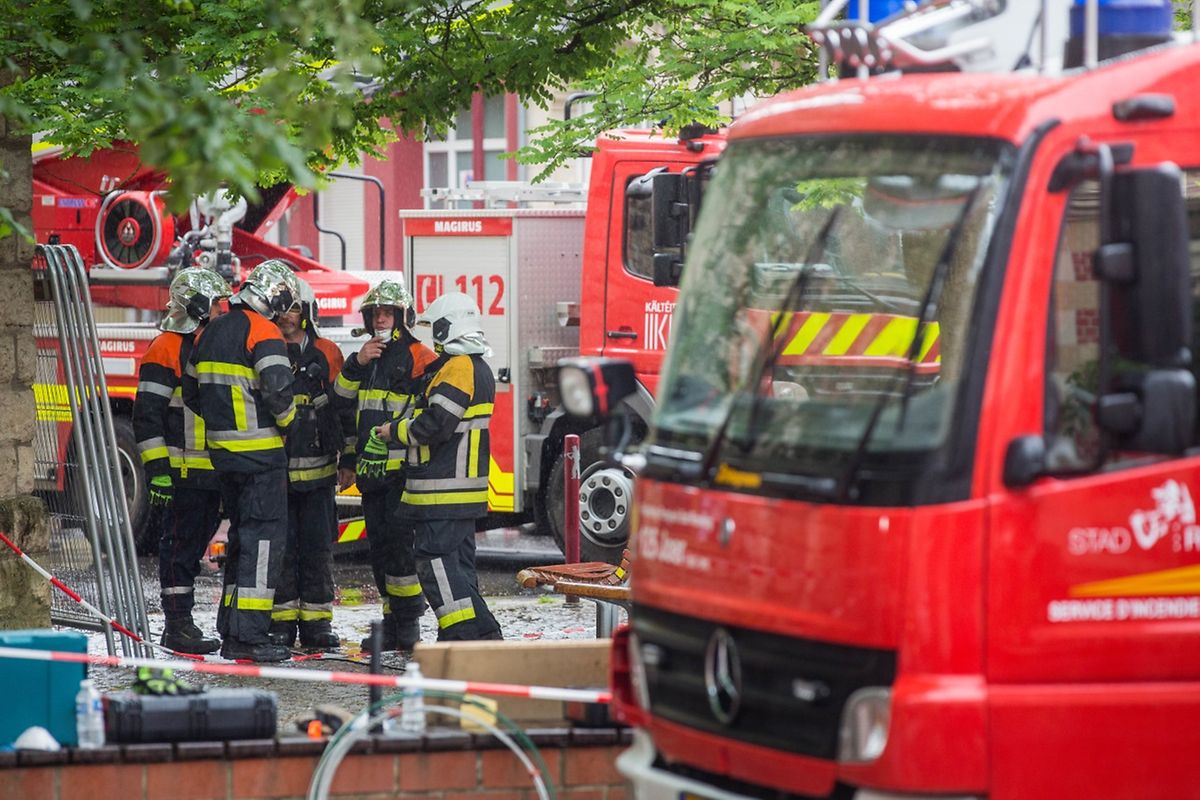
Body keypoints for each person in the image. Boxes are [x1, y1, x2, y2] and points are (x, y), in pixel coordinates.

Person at [182, 259, 300, 663]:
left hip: (224, 457)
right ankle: (248, 637)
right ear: (276, 297)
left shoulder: (210, 330)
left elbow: (192, 393)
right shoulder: (263, 331)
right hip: (262, 457)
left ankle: (230, 628)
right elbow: (280, 394)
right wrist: (288, 425)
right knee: (263, 543)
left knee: (240, 541)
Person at [373, 291, 502, 641]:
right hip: (461, 489)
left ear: (449, 328)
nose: (434, 336)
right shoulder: (478, 367)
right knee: (458, 565)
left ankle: (465, 632)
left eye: (437, 328)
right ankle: (475, 635)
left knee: (433, 561)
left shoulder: (458, 368)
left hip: (443, 489)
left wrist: (392, 431)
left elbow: (435, 424)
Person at [332, 280, 436, 652]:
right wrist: (357, 362)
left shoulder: (420, 356)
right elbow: (340, 402)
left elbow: (428, 414)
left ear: (402, 317)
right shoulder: (364, 357)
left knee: (400, 551)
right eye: (375, 312)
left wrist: (393, 439)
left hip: (402, 474)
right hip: (371, 474)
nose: (380, 318)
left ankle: (409, 626)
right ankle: (393, 621)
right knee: (379, 551)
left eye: (387, 312)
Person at [133, 267, 231, 655]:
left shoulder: (208, 343)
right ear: (198, 305)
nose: (223, 311)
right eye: (217, 304)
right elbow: (147, 415)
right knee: (179, 548)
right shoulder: (166, 347)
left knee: (192, 549)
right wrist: (157, 469)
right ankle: (177, 625)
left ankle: (182, 622)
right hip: (181, 471)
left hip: (211, 471)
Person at [268, 279, 347, 650]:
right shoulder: (265, 349)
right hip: (277, 473)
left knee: (317, 548)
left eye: (294, 308)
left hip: (319, 474)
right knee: (283, 549)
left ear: (308, 312)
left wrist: (349, 459)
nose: (286, 316)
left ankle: (317, 625)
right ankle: (282, 624)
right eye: (281, 308)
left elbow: (343, 412)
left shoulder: (328, 353)